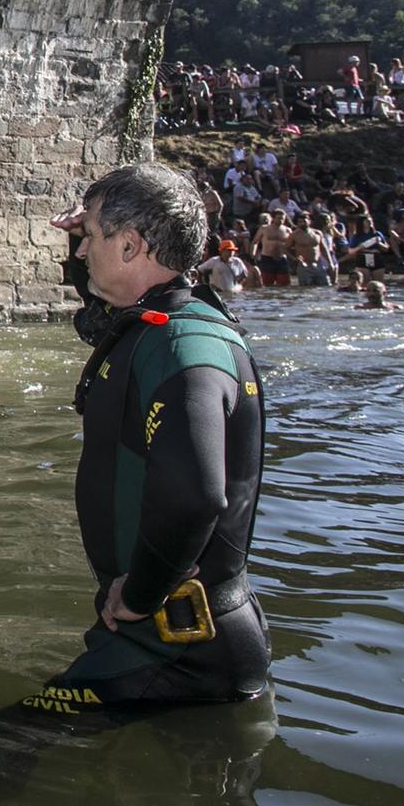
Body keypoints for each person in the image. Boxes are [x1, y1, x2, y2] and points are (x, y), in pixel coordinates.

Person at [46, 163, 269, 706]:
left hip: (177, 645)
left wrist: (140, 595)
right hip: (174, 634)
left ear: (130, 246)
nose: (80, 252)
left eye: (92, 237)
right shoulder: (151, 320)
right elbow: (95, 309)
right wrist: (85, 233)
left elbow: (194, 495)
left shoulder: (182, 347)